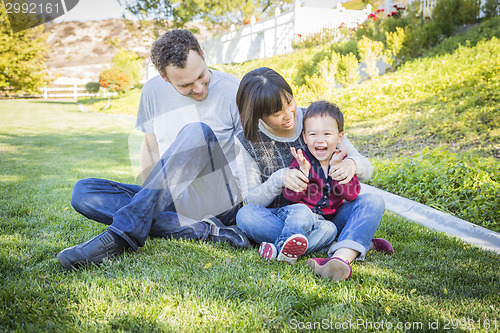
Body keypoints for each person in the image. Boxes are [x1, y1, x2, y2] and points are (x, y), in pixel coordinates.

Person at [57, 29, 249, 271]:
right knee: (84, 192)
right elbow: (150, 146)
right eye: (186, 84)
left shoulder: (235, 90)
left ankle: (120, 236)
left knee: (197, 131)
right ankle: (208, 231)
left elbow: (252, 155)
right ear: (165, 78)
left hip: (221, 200)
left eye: (201, 76)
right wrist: (150, 201)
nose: (199, 88)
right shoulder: (151, 92)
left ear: (202, 54)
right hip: (172, 196)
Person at [234, 67, 393, 281]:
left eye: (289, 103)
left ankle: (328, 251)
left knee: (373, 201)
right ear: (258, 115)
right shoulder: (246, 141)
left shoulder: (317, 119)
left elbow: (367, 169)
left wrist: (352, 164)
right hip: (287, 219)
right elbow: (250, 199)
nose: (289, 115)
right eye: (276, 113)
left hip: (332, 214)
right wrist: (279, 179)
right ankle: (339, 242)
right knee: (246, 216)